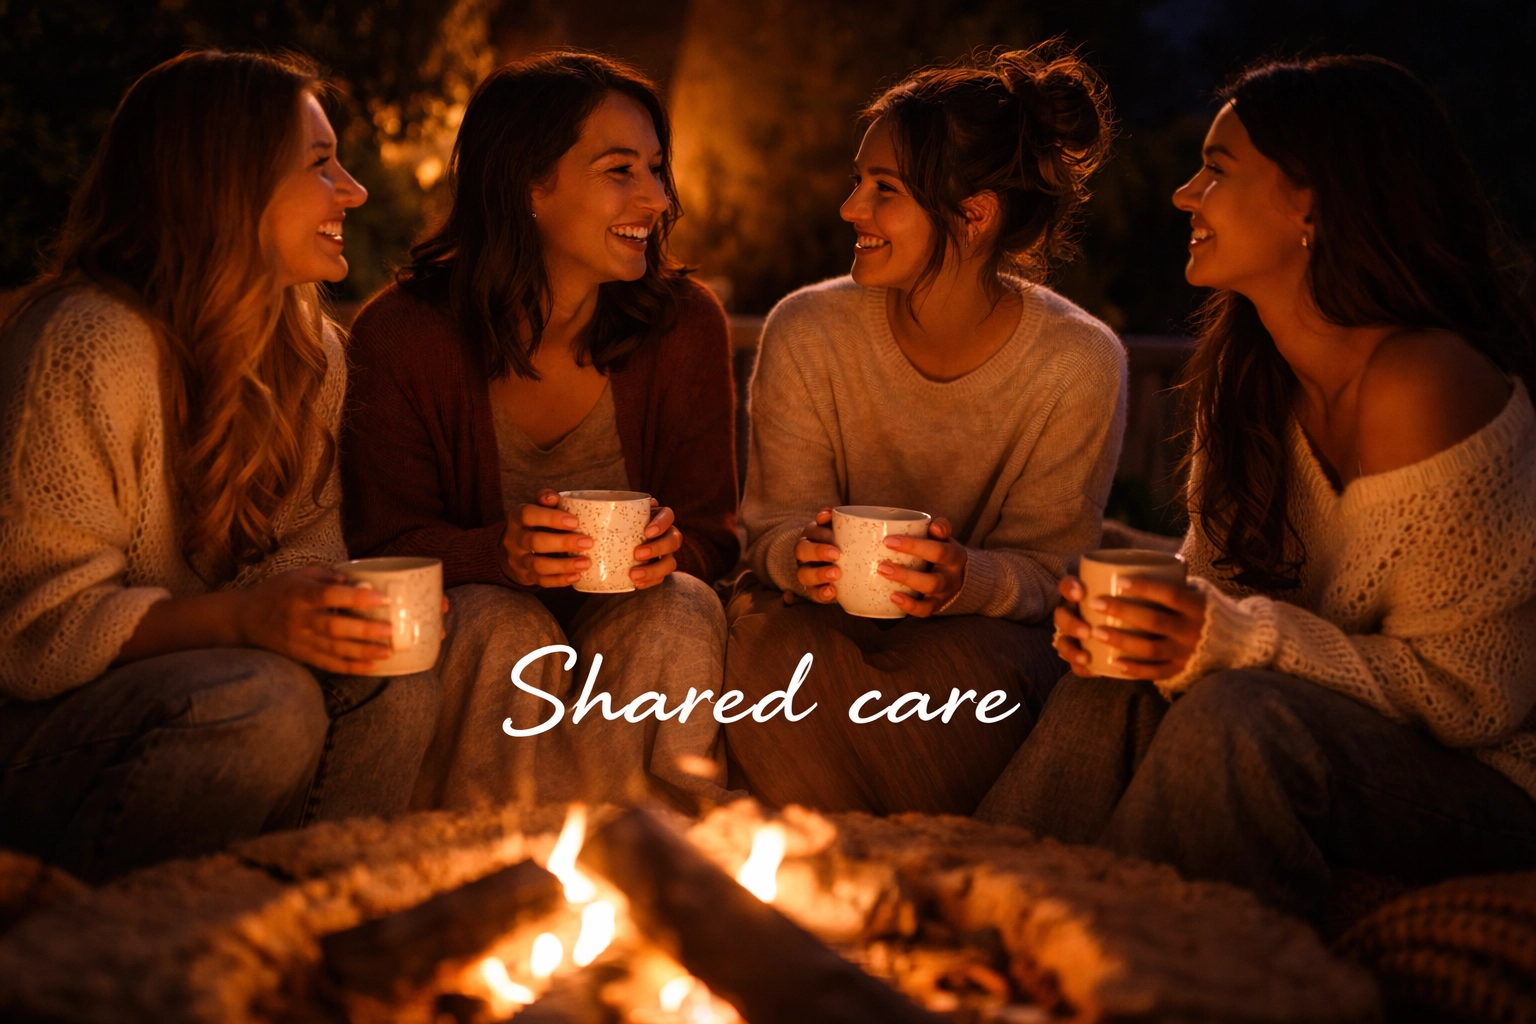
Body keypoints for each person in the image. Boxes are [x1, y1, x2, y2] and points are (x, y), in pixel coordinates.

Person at [978, 55, 1536, 918]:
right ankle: (979, 912)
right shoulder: (1252, 377)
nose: (1184, 195)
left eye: (1218, 170)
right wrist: (1153, 627)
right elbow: (1220, 593)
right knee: (1111, 681)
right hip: (1312, 716)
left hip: (1487, 784)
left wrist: (1232, 640)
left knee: (1236, 717)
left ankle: (1131, 968)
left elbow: (1473, 697)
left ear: (1310, 203)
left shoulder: (1428, 383)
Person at [0, 51, 441, 882]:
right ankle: (111, 961)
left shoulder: (309, 349)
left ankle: (295, 931)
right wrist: (246, 622)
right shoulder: (87, 344)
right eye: (320, 166)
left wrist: (342, 613)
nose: (353, 191)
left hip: (205, 683)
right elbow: (36, 629)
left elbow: (300, 555)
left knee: (394, 681)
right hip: (38, 726)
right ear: (225, 184)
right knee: (259, 705)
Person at [724, 44, 1126, 815]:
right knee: (766, 652)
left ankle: (857, 840)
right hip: (820, 626)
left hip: (976, 640)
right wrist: (797, 558)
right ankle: (840, 849)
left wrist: (961, 579)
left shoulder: (1078, 361)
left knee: (977, 686)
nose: (850, 210)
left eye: (884, 191)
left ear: (972, 217)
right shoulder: (807, 329)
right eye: (857, 183)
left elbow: (1051, 570)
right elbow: (769, 529)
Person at [342, 52, 738, 811]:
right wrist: (499, 554)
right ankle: (496, 874)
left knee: (681, 606)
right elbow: (376, 544)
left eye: (657, 169)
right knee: (501, 621)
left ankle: (669, 875)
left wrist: (669, 548)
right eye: (620, 170)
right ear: (528, 182)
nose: (655, 198)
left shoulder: (685, 326)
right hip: (477, 645)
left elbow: (715, 538)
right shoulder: (402, 335)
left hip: (631, 629)